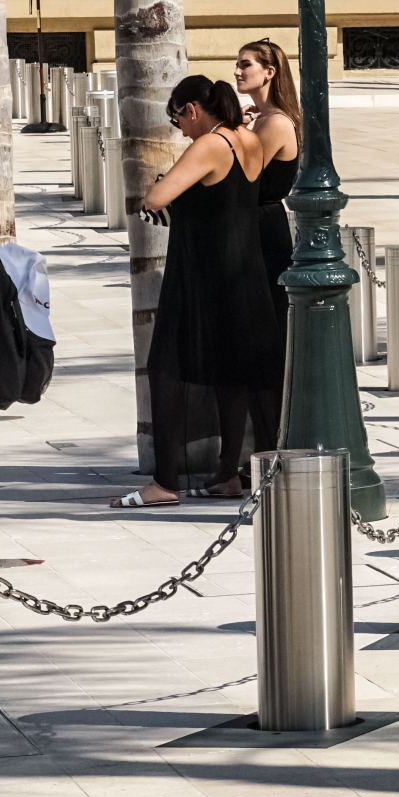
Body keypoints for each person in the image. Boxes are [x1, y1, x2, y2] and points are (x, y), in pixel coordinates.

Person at [122, 76, 281, 507]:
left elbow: (156, 197)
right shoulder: (249, 140)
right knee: (233, 377)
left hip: (206, 276)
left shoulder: (210, 145)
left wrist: (167, 189)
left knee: (167, 368)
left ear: (192, 109)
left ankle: (164, 482)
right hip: (247, 272)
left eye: (177, 120)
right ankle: (228, 473)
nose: (180, 129)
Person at [234, 40, 301, 320]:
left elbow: (238, 175)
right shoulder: (260, 119)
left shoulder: (275, 123)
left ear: (269, 72)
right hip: (252, 222)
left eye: (245, 64)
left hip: (263, 228)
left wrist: (232, 129)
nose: (237, 71)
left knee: (266, 314)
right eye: (237, 64)